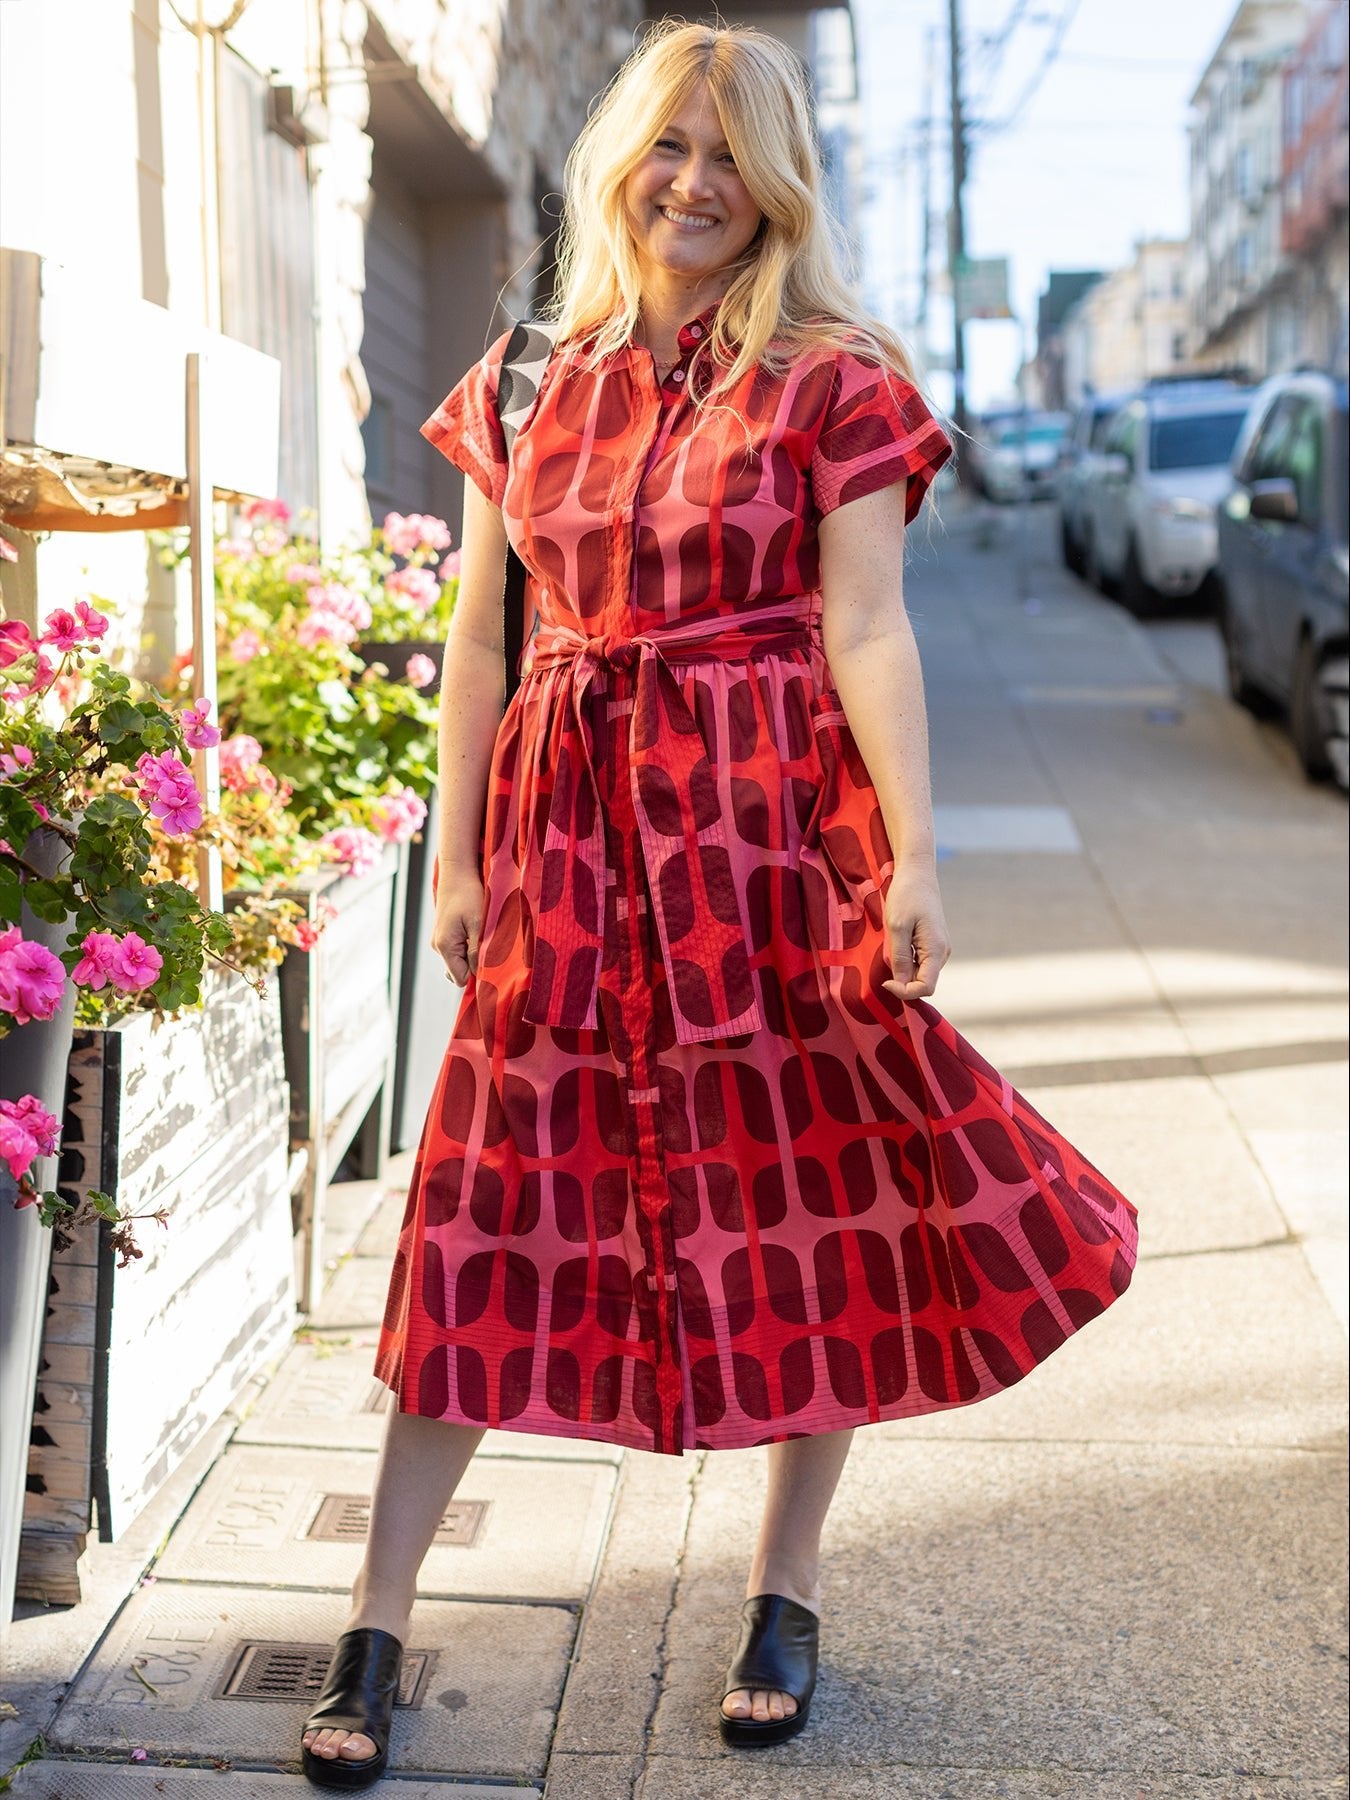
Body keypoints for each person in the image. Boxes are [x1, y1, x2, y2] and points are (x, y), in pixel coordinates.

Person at [300, 20, 1139, 1789]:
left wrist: (913, 851)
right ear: (619, 162)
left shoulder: (835, 382)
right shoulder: (527, 378)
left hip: (765, 838)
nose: (691, 183)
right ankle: (373, 1619)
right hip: (561, 841)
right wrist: (452, 854)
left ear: (776, 188)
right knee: (486, 1206)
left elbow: (865, 628)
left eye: (727, 156)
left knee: (806, 1189)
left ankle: (785, 1586)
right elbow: (480, 633)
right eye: (665, 148)